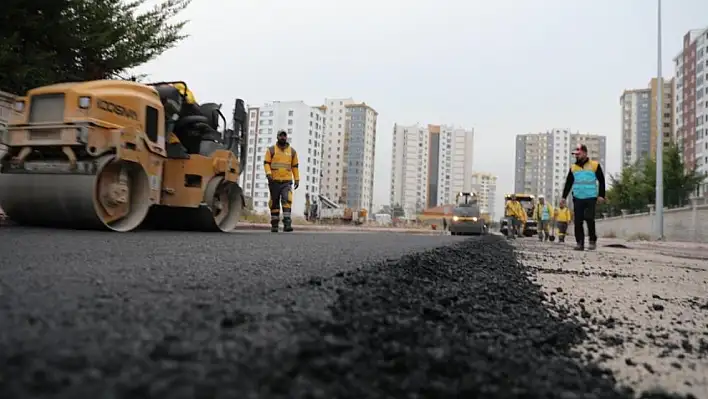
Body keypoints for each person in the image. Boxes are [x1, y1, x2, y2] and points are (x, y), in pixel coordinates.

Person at [560, 144, 606, 250]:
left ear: (585, 153)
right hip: (578, 197)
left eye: (578, 154)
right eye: (575, 154)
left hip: (591, 197)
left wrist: (601, 195)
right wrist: (563, 197)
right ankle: (579, 243)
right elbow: (568, 183)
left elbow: (601, 181)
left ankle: (592, 240)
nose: (576, 156)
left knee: (590, 218)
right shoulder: (573, 168)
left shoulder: (594, 165)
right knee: (578, 221)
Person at [263, 130, 300, 233]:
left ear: (286, 137)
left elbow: (295, 166)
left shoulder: (292, 152)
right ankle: (274, 225)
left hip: (286, 182)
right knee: (274, 203)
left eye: (284, 136)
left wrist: (297, 179)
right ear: (277, 137)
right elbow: (266, 163)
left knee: (287, 200)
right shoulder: (271, 150)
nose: (283, 138)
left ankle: (287, 224)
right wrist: (268, 173)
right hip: (274, 181)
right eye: (281, 136)